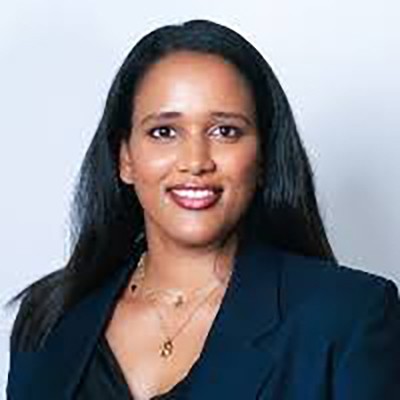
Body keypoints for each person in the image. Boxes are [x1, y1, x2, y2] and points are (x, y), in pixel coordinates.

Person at [6, 19, 400, 400]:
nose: (195, 161)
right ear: (125, 158)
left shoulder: (348, 316)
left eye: (225, 131)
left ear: (262, 157)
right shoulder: (50, 316)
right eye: (164, 132)